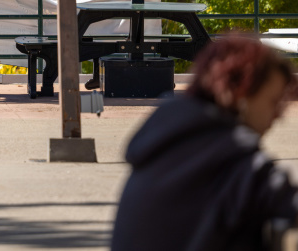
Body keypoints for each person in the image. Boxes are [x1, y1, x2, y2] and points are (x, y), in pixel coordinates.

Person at [111, 35, 298, 251]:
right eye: (274, 102)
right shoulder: (226, 154)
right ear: (241, 92)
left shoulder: (170, 134)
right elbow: (282, 198)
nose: (278, 116)